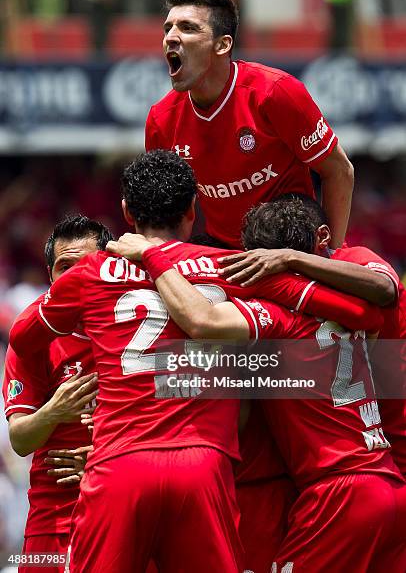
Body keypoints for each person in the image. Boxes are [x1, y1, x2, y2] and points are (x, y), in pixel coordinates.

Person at [9, 151, 379, 573]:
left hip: (119, 464)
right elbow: (361, 310)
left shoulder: (91, 271)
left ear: (126, 212)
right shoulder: (233, 268)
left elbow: (22, 336)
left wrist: (83, 308)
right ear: (192, 210)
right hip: (205, 466)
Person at [106, 230, 406, 572]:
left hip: (328, 493)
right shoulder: (351, 312)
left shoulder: (276, 320)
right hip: (385, 479)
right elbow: (376, 308)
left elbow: (203, 322)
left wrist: (154, 256)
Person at [145, 0, 354, 249]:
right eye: (168, 29)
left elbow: (339, 170)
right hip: (224, 251)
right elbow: (166, 210)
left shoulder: (274, 92)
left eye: (188, 28)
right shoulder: (160, 119)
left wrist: (330, 253)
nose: (171, 37)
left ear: (223, 45)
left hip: (292, 249)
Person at [218, 192, 406, 477]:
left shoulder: (353, 258)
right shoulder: (303, 298)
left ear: (322, 238)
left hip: (396, 419)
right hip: (365, 438)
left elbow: (385, 290)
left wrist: (292, 259)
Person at [2, 216, 111, 573]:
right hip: (53, 515)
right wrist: (53, 412)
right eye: (65, 267)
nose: (75, 277)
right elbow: (19, 439)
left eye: (86, 266)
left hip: (120, 502)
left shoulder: (138, 324)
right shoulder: (31, 338)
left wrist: (103, 464)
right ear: (50, 276)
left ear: (110, 268)